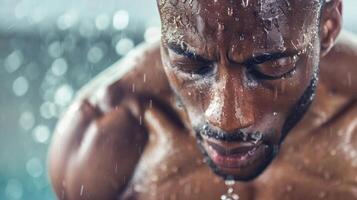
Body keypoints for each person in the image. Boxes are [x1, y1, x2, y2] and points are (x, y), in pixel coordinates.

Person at [48, 0, 357, 199]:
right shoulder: (102, 134)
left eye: (270, 68)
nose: (225, 119)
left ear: (328, 28)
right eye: (191, 64)